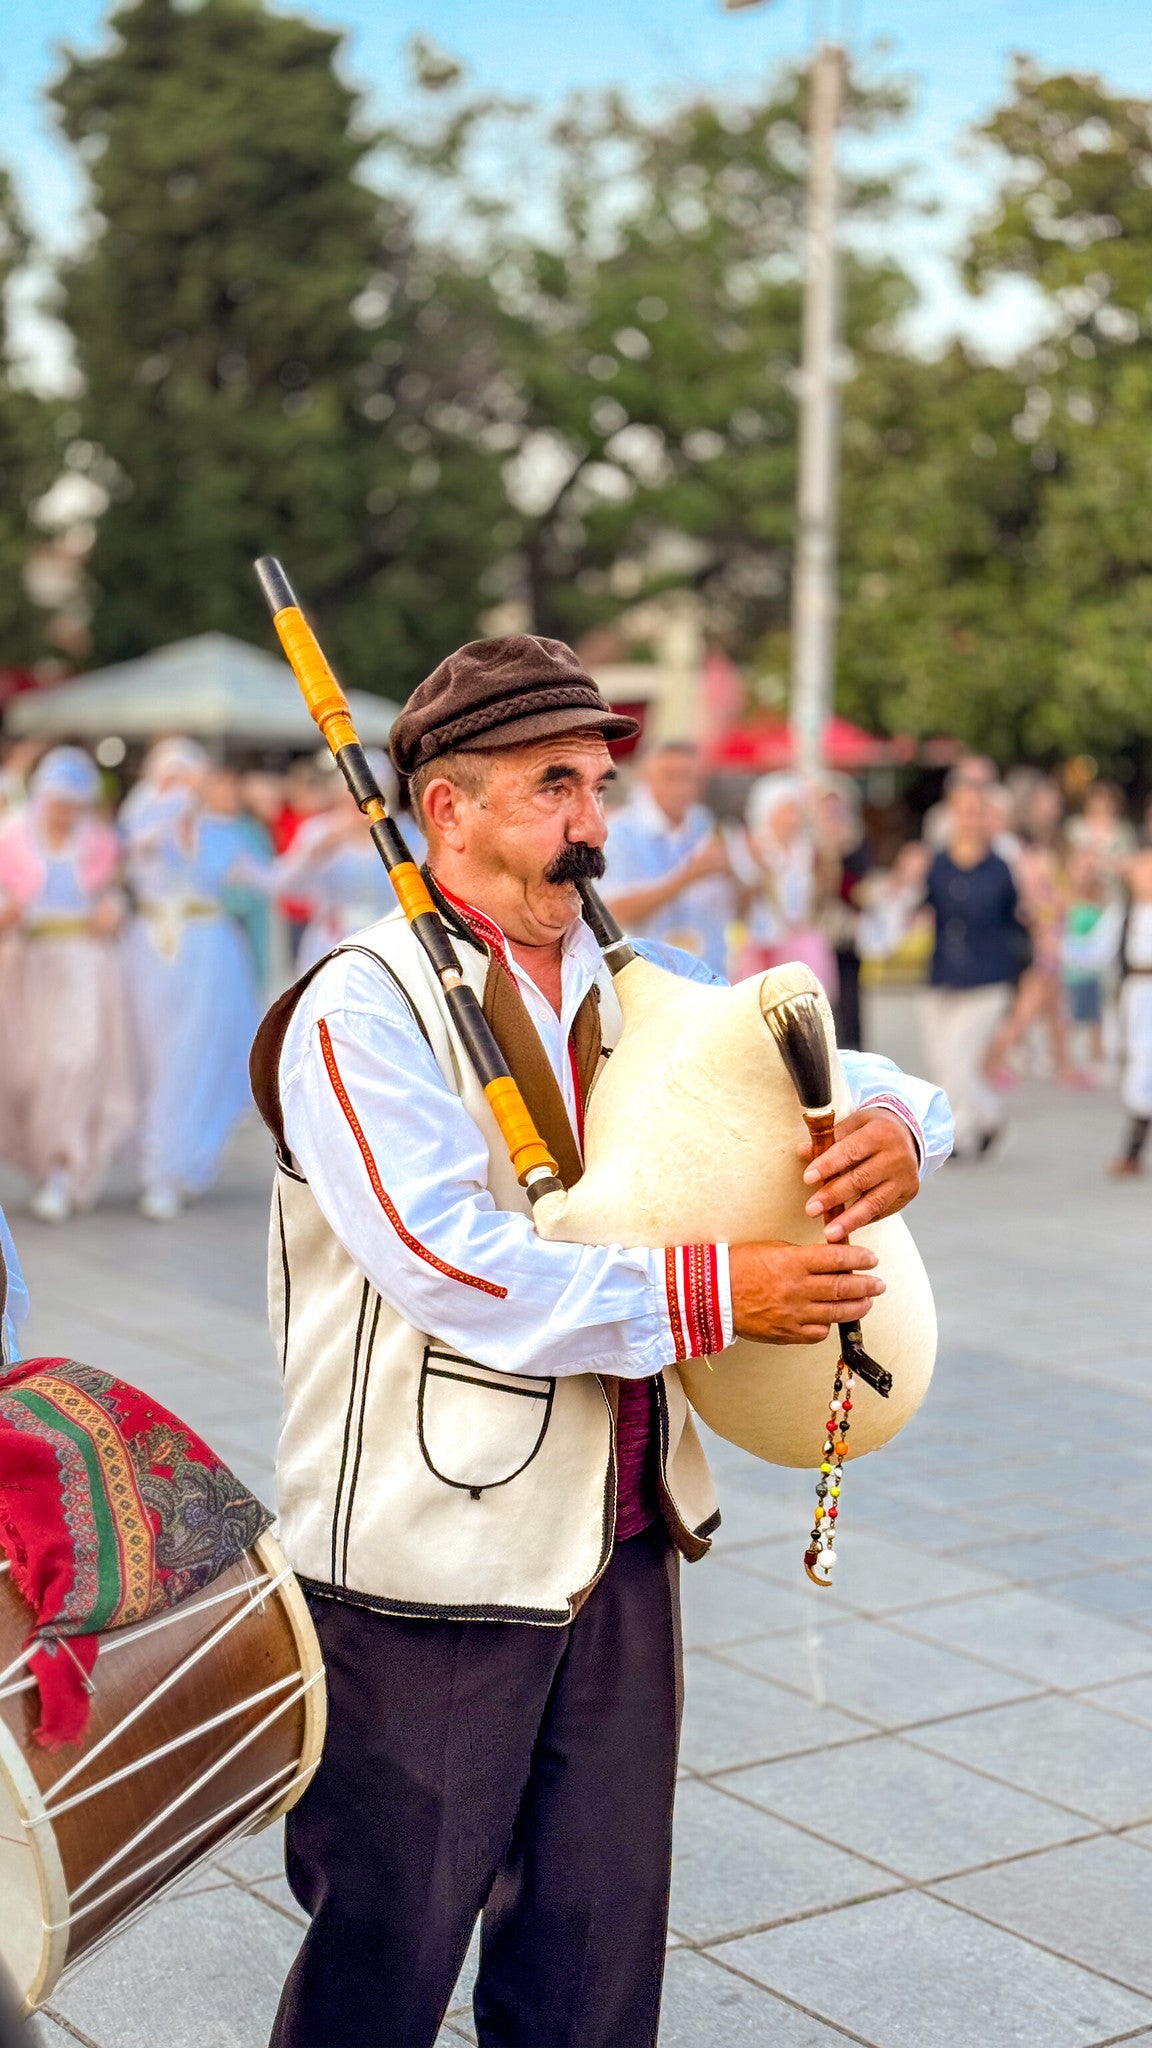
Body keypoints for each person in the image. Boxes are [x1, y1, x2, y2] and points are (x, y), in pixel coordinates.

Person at [253, 632, 952, 2048]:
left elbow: (815, 1046)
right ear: (445, 808)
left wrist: (894, 1123)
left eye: (598, 783)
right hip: (427, 1559)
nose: (591, 820)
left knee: (594, 1950)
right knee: (389, 1952)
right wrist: (715, 1295)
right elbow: (459, 1267)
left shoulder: (637, 982)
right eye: (550, 784)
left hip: (625, 1537)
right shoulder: (359, 1010)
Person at [120, 737, 259, 1221]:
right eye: (172, 776)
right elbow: (137, 849)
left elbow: (269, 879)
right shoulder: (142, 822)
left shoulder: (220, 833)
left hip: (211, 951)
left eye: (188, 776)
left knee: (196, 1053)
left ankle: (178, 1165)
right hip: (153, 950)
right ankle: (158, 1161)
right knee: (154, 1053)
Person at [0, 748, 136, 1221]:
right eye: (55, 801)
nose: (62, 812)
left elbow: (117, 893)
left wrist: (114, 908)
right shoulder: (11, 838)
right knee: (27, 1073)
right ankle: (44, 1164)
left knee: (75, 1059)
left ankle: (65, 1166)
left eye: (71, 803)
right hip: (25, 968)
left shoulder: (98, 842)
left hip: (84, 964)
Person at [921, 781, 1024, 1159]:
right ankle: (990, 1114)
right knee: (940, 1059)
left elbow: (1016, 922)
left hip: (987, 976)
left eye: (974, 809)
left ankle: (957, 1135)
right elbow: (920, 906)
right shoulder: (937, 863)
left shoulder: (999, 868)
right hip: (944, 972)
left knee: (958, 1058)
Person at [272, 750, 417, 972]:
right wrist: (318, 852)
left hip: (391, 946)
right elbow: (285, 884)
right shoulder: (320, 830)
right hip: (331, 943)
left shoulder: (405, 833)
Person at [601, 740, 735, 978]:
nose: (682, 788)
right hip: (652, 981)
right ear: (645, 779)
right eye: (671, 777)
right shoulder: (619, 833)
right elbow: (615, 913)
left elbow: (733, 909)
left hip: (709, 975)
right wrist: (687, 877)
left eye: (690, 778)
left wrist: (736, 871)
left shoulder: (703, 823)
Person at [740, 773, 840, 996]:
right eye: (786, 810)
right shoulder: (752, 849)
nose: (793, 818)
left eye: (796, 810)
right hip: (764, 947)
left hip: (803, 946)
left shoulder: (807, 851)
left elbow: (828, 888)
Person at [1111, 848, 1152, 1174]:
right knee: (1141, 1065)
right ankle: (1133, 1148)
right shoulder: (1124, 913)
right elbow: (1096, 950)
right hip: (1137, 996)